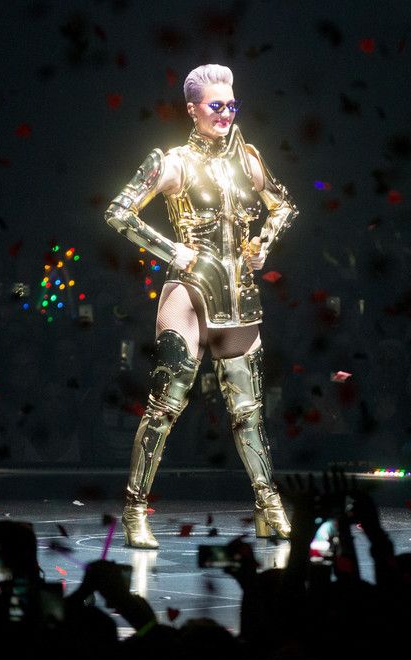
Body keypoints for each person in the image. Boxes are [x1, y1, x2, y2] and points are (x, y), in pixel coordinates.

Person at [104, 64, 299, 548]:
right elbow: (119, 211)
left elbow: (284, 205)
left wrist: (264, 244)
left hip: (239, 294)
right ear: (192, 109)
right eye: (216, 105)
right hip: (190, 292)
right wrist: (172, 249)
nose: (226, 113)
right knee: (165, 407)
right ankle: (134, 509)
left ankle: (268, 504)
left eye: (231, 105)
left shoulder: (247, 159)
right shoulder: (173, 163)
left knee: (248, 411)